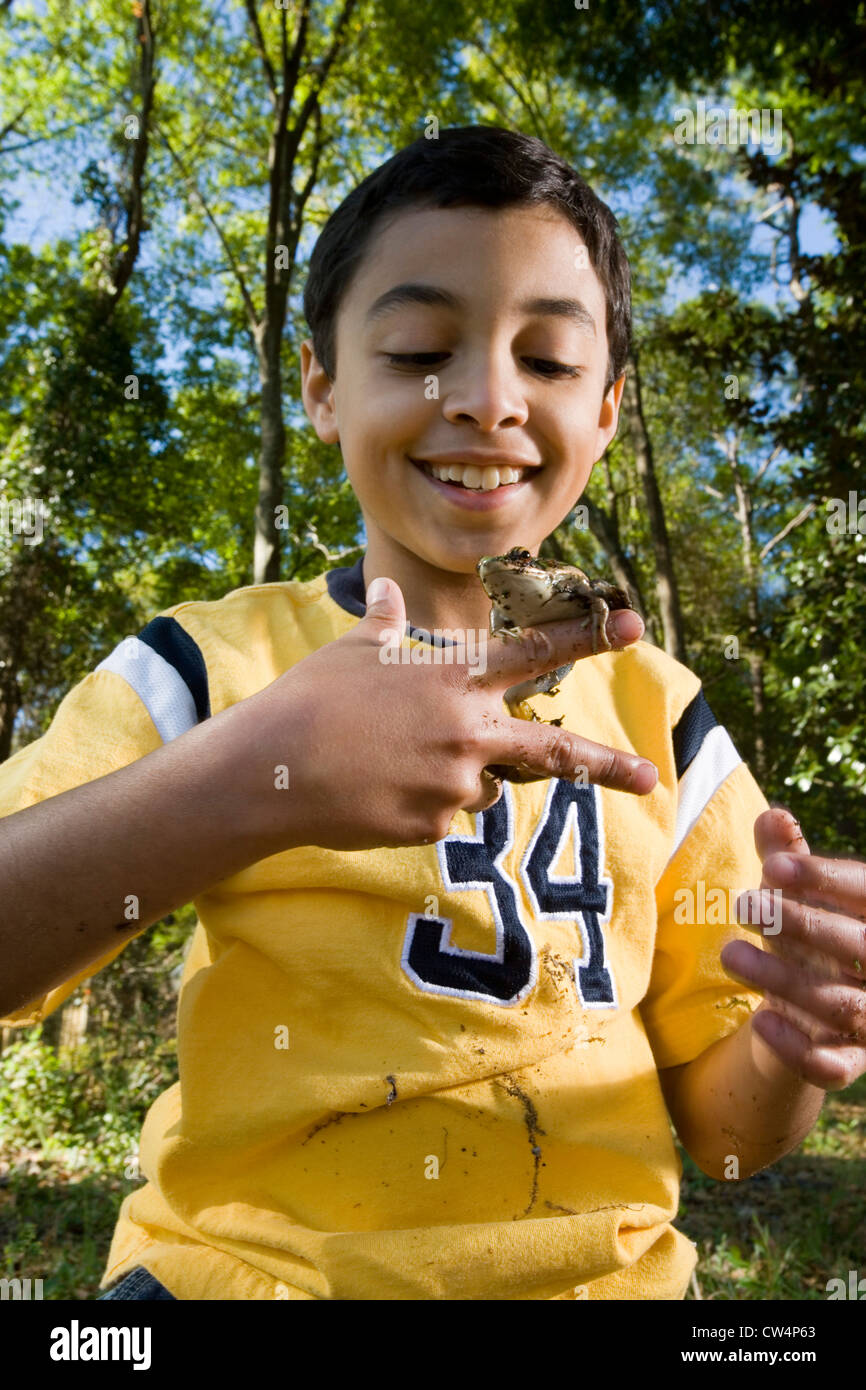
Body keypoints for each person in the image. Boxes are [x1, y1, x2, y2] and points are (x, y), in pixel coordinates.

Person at [2, 126, 863, 1302]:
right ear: (319, 383)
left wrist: (788, 1040)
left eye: (550, 361)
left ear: (607, 411)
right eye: (417, 347)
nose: (485, 400)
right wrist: (258, 776)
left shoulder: (661, 718)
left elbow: (725, 1137)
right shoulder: (207, 666)